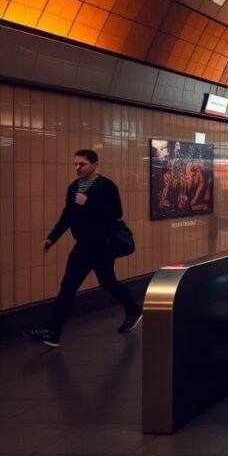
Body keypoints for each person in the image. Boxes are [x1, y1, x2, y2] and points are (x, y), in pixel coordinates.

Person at [22, 149, 141, 348]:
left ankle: (53, 332)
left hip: (103, 244)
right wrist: (52, 238)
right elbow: (67, 216)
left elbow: (116, 212)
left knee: (91, 284)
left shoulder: (106, 185)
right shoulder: (74, 187)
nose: (77, 168)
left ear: (95, 165)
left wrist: (90, 203)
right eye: (75, 164)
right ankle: (53, 334)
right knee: (85, 284)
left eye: (82, 164)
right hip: (84, 244)